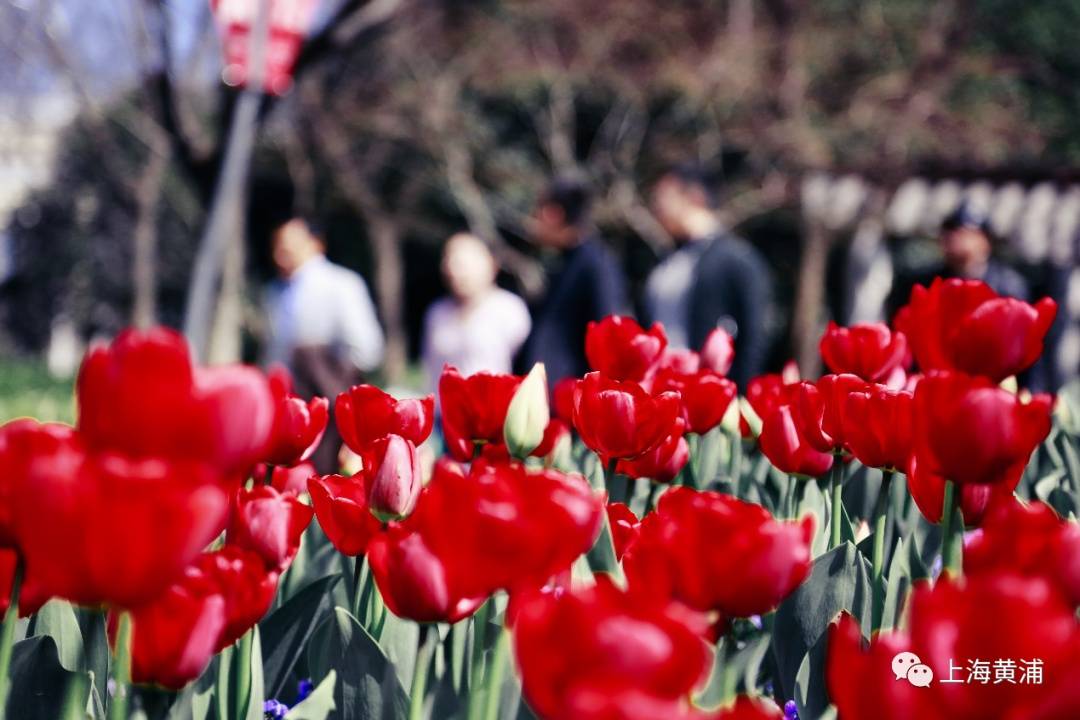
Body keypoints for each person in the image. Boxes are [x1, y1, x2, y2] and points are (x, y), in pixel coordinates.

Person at [264, 217, 385, 471]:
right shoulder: (274, 292)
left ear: (315, 243)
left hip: (328, 404)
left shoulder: (341, 284)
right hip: (288, 405)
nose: (280, 253)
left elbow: (367, 348)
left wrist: (326, 370)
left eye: (289, 244)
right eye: (278, 245)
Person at [645, 164, 774, 388]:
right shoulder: (669, 263)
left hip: (709, 393)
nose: (656, 206)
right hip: (662, 390)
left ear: (694, 196)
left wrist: (739, 393)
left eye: (664, 196)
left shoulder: (735, 259)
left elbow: (756, 335)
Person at [517, 177, 630, 383]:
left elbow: (608, 335)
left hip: (572, 397)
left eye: (537, 211)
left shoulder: (597, 264)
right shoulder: (564, 263)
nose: (533, 219)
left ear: (553, 214)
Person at [422, 233, 531, 388]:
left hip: (495, 407)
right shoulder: (436, 312)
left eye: (463, 262)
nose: (453, 269)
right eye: (449, 259)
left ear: (492, 264)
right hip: (444, 410)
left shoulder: (509, 309)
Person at [887, 201, 1030, 316]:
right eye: (949, 233)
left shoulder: (1008, 286)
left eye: (964, 233)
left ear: (985, 240)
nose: (954, 239)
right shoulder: (927, 284)